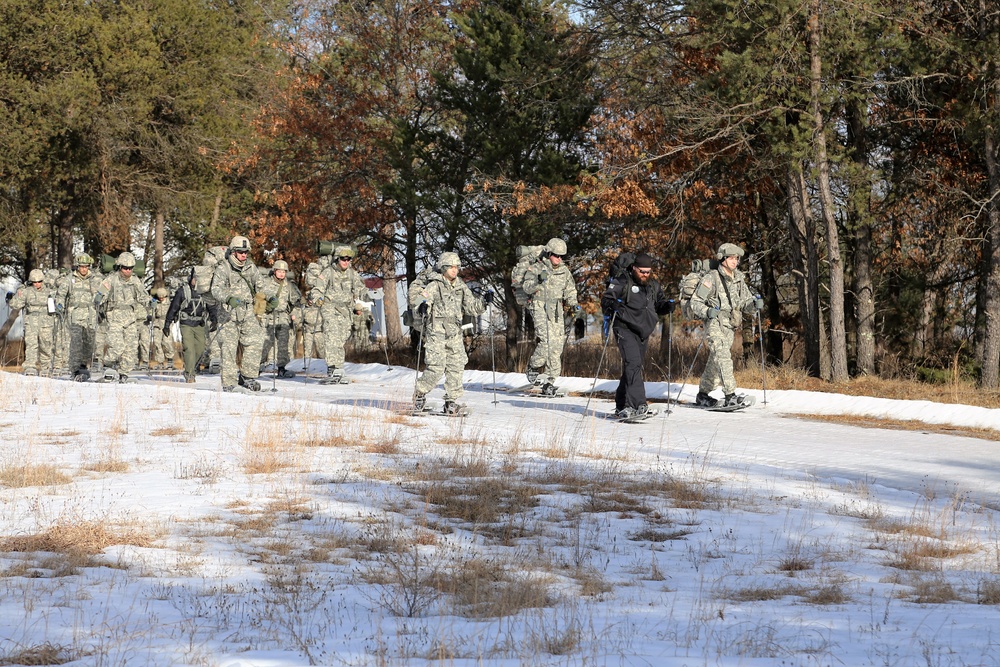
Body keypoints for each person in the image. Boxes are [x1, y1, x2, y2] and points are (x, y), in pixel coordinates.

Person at [600, 253, 675, 419]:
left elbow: (659, 304)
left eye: (648, 272)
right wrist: (614, 304)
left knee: (632, 367)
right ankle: (638, 404)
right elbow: (606, 299)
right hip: (624, 327)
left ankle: (622, 405)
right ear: (634, 268)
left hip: (643, 331)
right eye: (642, 271)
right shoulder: (622, 281)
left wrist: (667, 306)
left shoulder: (653, 286)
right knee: (633, 364)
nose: (645, 275)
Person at [689, 243, 763, 408]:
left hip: (730, 325)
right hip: (715, 323)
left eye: (736, 258)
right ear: (723, 258)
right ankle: (730, 395)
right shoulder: (712, 277)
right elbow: (695, 302)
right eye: (731, 258)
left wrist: (755, 304)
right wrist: (708, 311)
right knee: (723, 357)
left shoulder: (738, 279)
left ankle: (702, 394)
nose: (734, 261)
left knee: (715, 362)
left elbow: (745, 302)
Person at [411, 251, 485, 414]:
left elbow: (471, 307)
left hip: (454, 333)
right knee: (436, 367)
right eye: (451, 267)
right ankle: (420, 394)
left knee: (456, 365)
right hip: (436, 332)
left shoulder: (461, 286)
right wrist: (423, 306)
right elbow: (419, 302)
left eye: (457, 267)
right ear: (443, 268)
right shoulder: (434, 285)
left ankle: (451, 402)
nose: (454, 270)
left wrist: (484, 302)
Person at [210, 235, 274, 392]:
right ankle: (229, 382)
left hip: (248, 312)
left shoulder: (250, 268)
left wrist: (271, 296)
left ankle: (247, 377)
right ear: (233, 252)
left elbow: (261, 286)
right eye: (240, 252)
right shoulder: (223, 268)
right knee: (229, 348)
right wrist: (228, 298)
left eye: (246, 252)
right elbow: (215, 289)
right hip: (228, 313)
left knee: (256, 341)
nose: (244, 255)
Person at [520, 237, 580, 394]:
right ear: (548, 253)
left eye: (561, 256)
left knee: (557, 345)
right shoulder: (536, 268)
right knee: (546, 340)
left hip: (556, 309)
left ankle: (549, 381)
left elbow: (570, 289)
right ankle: (534, 365)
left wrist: (573, 303)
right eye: (555, 255)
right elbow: (526, 287)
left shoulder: (564, 271)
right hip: (539, 305)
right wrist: (538, 281)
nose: (558, 259)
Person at [310, 245, 370, 383]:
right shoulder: (328, 272)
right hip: (330, 307)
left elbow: (360, 289)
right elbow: (317, 289)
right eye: (343, 259)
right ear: (337, 259)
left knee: (341, 339)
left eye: (348, 259)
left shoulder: (352, 273)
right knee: (332, 336)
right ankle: (333, 368)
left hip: (346, 310)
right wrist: (318, 298)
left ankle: (338, 367)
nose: (346, 262)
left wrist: (370, 293)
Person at [94, 252, 146, 382]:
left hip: (130, 318)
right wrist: (99, 298)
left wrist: (151, 302)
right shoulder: (111, 280)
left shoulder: (135, 280)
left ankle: (124, 373)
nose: (128, 271)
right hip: (114, 317)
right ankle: (108, 366)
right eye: (125, 268)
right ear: (119, 267)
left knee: (131, 348)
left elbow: (143, 296)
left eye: (130, 268)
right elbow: (99, 295)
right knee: (117, 346)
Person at [164, 268, 217, 383]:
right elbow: (173, 308)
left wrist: (214, 320)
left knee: (200, 348)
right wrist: (167, 324)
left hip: (200, 324)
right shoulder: (182, 291)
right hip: (186, 323)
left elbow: (211, 307)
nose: (197, 281)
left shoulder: (205, 292)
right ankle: (189, 373)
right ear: (191, 278)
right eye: (195, 278)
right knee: (189, 348)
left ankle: (192, 367)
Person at [56, 253, 101, 380]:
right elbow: (61, 294)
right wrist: (59, 305)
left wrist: (100, 299)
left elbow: (102, 293)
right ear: (77, 266)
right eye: (81, 266)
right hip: (74, 316)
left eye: (86, 266)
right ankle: (75, 369)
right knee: (75, 344)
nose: (84, 269)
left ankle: (84, 366)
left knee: (89, 343)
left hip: (90, 316)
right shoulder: (70, 279)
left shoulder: (94, 279)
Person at [9, 269, 57, 376]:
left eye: (39, 281)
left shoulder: (49, 291)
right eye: (34, 282)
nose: (37, 284)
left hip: (46, 322)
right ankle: (30, 366)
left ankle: (46, 366)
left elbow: (57, 303)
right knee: (31, 345)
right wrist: (10, 299)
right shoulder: (26, 291)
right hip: (31, 322)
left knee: (46, 344)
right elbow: (16, 304)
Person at [259, 260, 301, 378]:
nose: (282, 274)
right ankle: (256, 366)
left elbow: (295, 302)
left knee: (283, 344)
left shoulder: (289, 285)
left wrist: (294, 314)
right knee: (265, 343)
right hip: (268, 316)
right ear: (274, 271)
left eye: (284, 272)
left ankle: (281, 368)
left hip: (283, 316)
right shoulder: (265, 283)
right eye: (279, 271)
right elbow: (259, 298)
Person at [150, 287, 174, 369]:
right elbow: (152, 314)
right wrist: (152, 308)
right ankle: (160, 361)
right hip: (157, 323)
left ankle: (170, 359)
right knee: (157, 342)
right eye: (159, 297)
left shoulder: (169, 303)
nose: (161, 298)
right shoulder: (155, 302)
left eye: (162, 297)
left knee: (167, 342)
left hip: (167, 323)